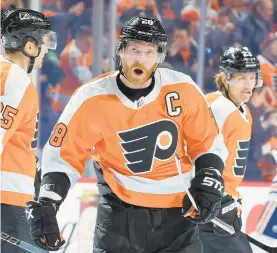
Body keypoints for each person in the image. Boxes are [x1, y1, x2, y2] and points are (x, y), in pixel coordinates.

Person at [25, 16, 228, 253]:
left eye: (149, 52)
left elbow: (208, 143)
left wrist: (209, 178)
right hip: (119, 219)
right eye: (134, 50)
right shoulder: (91, 98)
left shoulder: (183, 89)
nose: (140, 59)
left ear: (159, 57)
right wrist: (48, 203)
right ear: (121, 51)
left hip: (179, 218)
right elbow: (62, 157)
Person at [0, 8, 57, 253]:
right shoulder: (13, 78)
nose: (47, 49)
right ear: (30, 46)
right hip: (7, 204)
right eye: (44, 42)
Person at [199, 47, 263, 253]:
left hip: (225, 203)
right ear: (226, 78)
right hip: (209, 205)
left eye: (252, 78)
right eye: (242, 78)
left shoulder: (243, 109)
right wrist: (210, 199)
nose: (249, 85)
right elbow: (191, 154)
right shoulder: (216, 108)